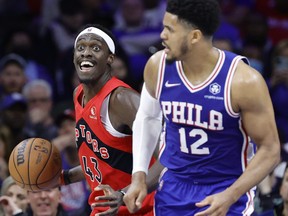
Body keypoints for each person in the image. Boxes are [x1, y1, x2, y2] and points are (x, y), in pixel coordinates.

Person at [123, 0, 281, 215]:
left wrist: (232, 194)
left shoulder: (244, 81)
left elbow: (270, 149)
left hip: (224, 187)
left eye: (170, 29)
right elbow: (148, 117)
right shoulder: (157, 66)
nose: (162, 35)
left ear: (195, 36)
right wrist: (139, 175)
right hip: (173, 187)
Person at [58, 23, 156, 215]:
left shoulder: (122, 99)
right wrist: (64, 178)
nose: (86, 53)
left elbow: (170, 156)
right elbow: (104, 160)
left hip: (143, 209)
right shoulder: (78, 94)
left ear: (110, 58)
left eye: (95, 48)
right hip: (104, 209)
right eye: (80, 48)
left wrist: (125, 193)